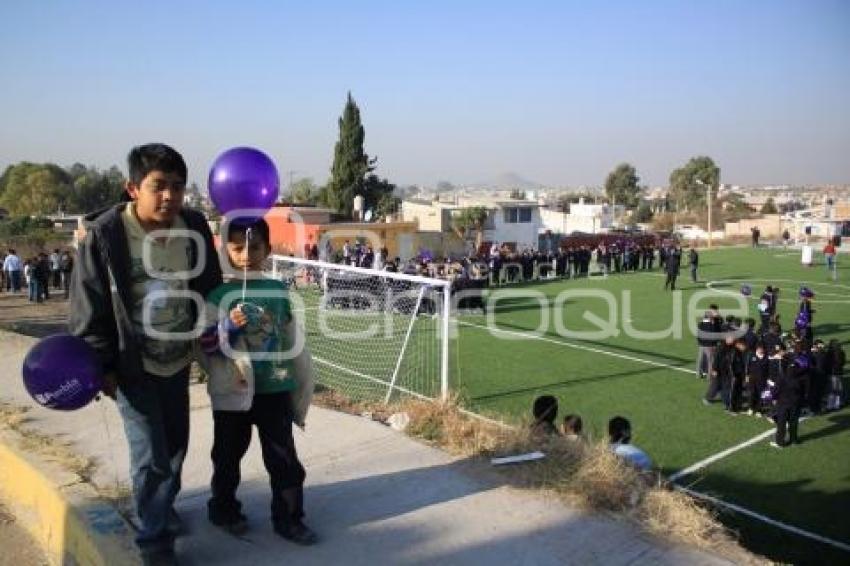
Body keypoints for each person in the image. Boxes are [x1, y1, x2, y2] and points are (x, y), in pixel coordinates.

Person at [68, 143, 222, 564]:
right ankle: (154, 544)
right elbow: (88, 306)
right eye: (159, 186)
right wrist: (102, 366)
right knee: (149, 454)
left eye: (177, 186)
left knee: (174, 446)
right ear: (133, 188)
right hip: (131, 365)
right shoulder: (106, 235)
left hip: (178, 360)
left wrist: (219, 327)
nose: (170, 196)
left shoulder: (192, 225)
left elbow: (209, 285)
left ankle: (162, 508)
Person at [199, 217, 318, 545]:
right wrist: (228, 328)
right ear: (226, 250)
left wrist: (302, 380)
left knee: (284, 459)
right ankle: (223, 509)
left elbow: (293, 340)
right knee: (226, 456)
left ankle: (290, 519)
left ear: (267, 249)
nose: (246, 254)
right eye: (238, 247)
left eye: (254, 247)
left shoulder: (279, 291)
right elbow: (206, 347)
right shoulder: (219, 295)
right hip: (232, 393)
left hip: (274, 390)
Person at [771, 351, 808, 448]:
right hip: (796, 402)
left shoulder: (782, 377)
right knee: (794, 422)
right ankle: (794, 440)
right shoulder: (802, 378)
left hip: (783, 403)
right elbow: (804, 391)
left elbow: (775, 390)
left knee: (781, 424)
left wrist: (774, 398)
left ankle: (780, 442)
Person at [746, 343, 769, 416]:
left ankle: (759, 410)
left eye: (762, 349)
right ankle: (750, 408)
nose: (760, 350)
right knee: (752, 394)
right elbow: (747, 366)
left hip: (762, 379)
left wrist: (768, 378)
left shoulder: (766, 357)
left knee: (760, 395)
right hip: (752, 379)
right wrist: (747, 375)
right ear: (757, 349)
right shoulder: (752, 356)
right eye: (759, 348)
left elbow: (768, 369)